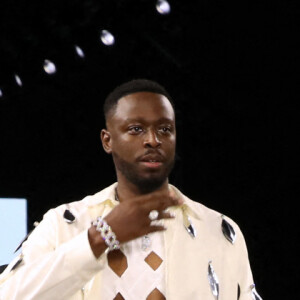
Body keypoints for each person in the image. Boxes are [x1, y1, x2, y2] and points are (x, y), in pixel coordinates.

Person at [0, 79, 262, 300]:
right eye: (136, 129)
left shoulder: (218, 229)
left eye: (165, 129)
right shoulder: (64, 224)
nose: (153, 140)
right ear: (107, 140)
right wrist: (99, 237)